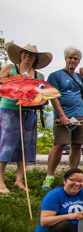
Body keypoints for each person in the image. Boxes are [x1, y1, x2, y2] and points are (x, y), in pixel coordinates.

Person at [0, 42, 52, 194]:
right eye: (25, 53)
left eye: (31, 54)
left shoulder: (39, 76)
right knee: (6, 144)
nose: (28, 56)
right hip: (9, 110)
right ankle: (1, 181)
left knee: (25, 146)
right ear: (21, 54)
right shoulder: (10, 68)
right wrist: (17, 85)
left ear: (35, 58)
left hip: (29, 112)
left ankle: (19, 180)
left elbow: (42, 95)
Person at [42, 47, 83, 191]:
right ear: (65, 58)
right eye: (70, 58)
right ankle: (49, 176)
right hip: (63, 115)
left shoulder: (79, 77)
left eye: (75, 59)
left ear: (79, 61)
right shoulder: (56, 75)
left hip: (80, 115)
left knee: (77, 145)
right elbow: (51, 95)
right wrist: (61, 115)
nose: (73, 61)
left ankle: (72, 175)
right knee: (60, 144)